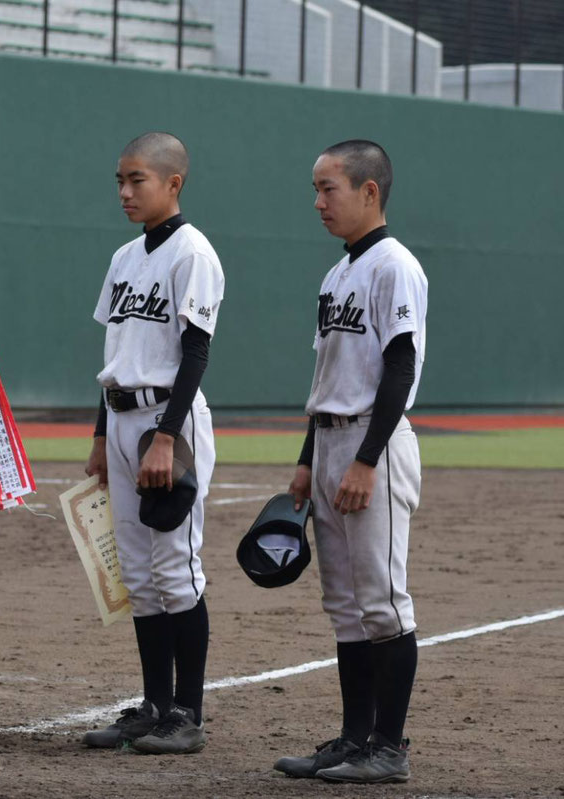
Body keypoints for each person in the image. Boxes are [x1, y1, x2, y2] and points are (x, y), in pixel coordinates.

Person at [273, 140, 427, 784]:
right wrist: (310, 460)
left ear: (370, 192)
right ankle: (353, 739)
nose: (318, 202)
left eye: (328, 188)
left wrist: (365, 461)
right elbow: (328, 374)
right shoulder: (338, 274)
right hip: (333, 439)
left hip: (374, 443)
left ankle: (387, 749)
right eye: (316, 188)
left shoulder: (394, 266)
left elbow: (400, 366)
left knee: (384, 603)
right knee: (345, 605)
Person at [82, 132, 224, 755]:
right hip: (121, 420)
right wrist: (98, 434)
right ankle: (154, 706)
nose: (124, 191)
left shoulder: (192, 253)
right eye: (119, 180)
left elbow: (196, 350)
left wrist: (166, 435)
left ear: (173, 183)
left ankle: (186, 714)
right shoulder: (124, 257)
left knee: (174, 569)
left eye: (136, 179)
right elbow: (115, 351)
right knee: (139, 574)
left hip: (169, 421)